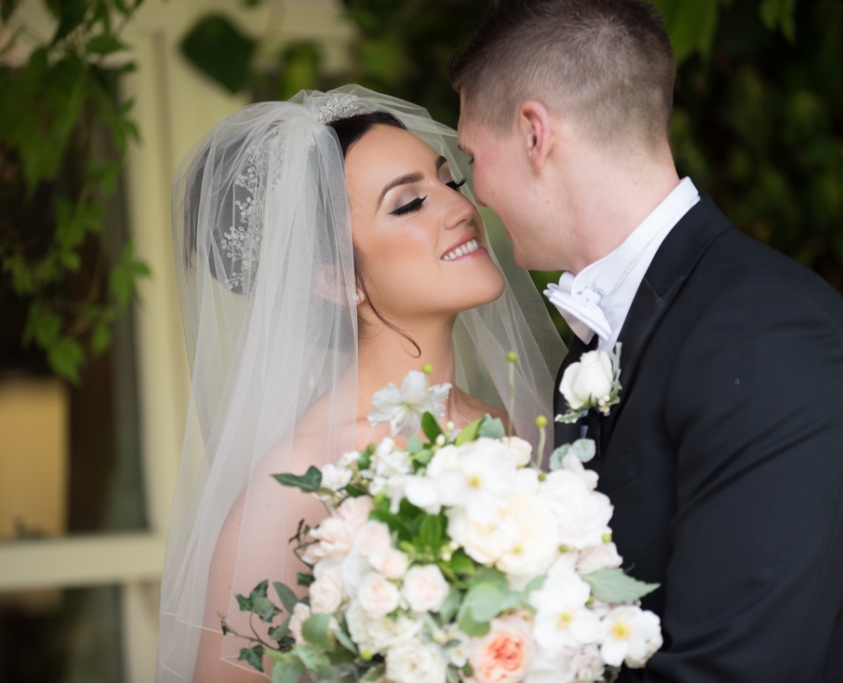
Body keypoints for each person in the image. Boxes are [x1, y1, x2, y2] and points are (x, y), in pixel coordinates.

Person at [450, 0, 843, 681]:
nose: (474, 193)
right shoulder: (609, 340)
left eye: (472, 157)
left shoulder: (773, 342)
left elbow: (730, 668)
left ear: (535, 134)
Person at [157, 86, 565, 681]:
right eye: (408, 205)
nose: (458, 209)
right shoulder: (295, 483)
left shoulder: (502, 427)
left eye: (448, 182)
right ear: (334, 278)